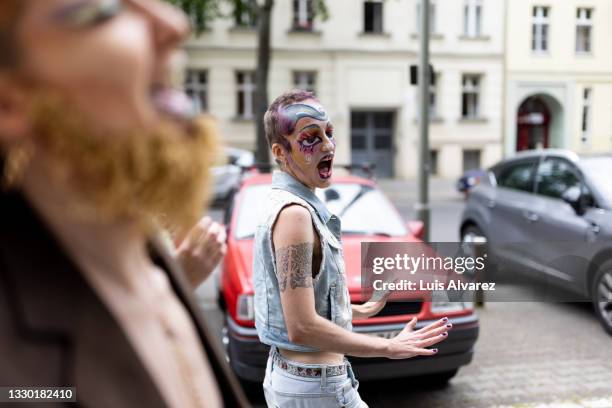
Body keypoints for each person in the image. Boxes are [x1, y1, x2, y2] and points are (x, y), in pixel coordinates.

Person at [0, 1, 248, 407]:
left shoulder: (147, 256)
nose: (176, 25)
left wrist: (179, 278)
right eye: (103, 9)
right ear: (9, 100)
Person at [253, 90, 452, 407]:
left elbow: (304, 305)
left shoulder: (298, 205)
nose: (329, 146)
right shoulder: (294, 215)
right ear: (280, 151)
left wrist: (363, 309)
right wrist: (388, 347)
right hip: (316, 389)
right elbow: (302, 326)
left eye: (329, 133)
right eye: (311, 138)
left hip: (306, 382)